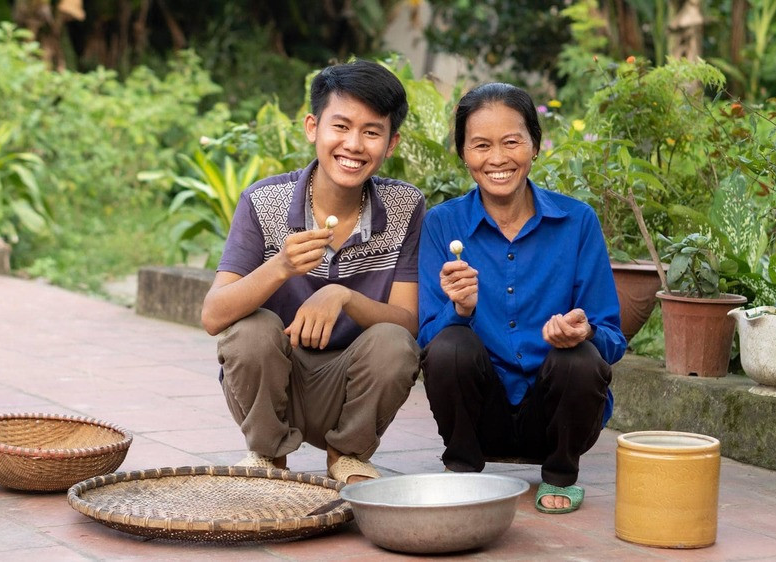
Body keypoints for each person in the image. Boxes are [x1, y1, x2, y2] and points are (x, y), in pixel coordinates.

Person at [202, 60, 425, 484]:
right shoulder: (263, 201)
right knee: (250, 330)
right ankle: (268, 457)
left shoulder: (404, 207)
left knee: (394, 342)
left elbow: (408, 323)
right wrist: (281, 266)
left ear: (391, 143)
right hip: (272, 387)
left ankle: (348, 456)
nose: (354, 144)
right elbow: (214, 316)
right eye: (340, 126)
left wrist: (344, 297)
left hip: (348, 390)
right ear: (312, 127)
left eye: (372, 132)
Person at [417, 82, 626, 513]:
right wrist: (458, 310)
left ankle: (561, 474)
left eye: (512, 142)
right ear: (463, 153)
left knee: (579, 358)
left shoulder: (576, 221)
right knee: (450, 345)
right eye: (481, 145)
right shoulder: (443, 224)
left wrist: (583, 331)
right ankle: (461, 468)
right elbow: (425, 340)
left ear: (535, 145)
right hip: (480, 418)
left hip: (555, 417)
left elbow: (612, 337)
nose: (497, 158)